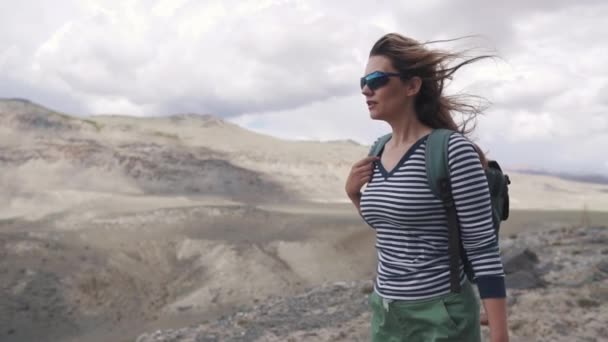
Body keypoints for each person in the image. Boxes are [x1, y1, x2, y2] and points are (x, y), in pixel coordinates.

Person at [345, 33, 509, 341]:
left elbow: (482, 249)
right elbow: (396, 228)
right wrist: (354, 196)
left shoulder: (452, 151)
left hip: (441, 316)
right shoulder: (377, 150)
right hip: (386, 313)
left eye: (377, 79)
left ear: (412, 86)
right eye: (363, 81)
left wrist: (500, 336)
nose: (366, 89)